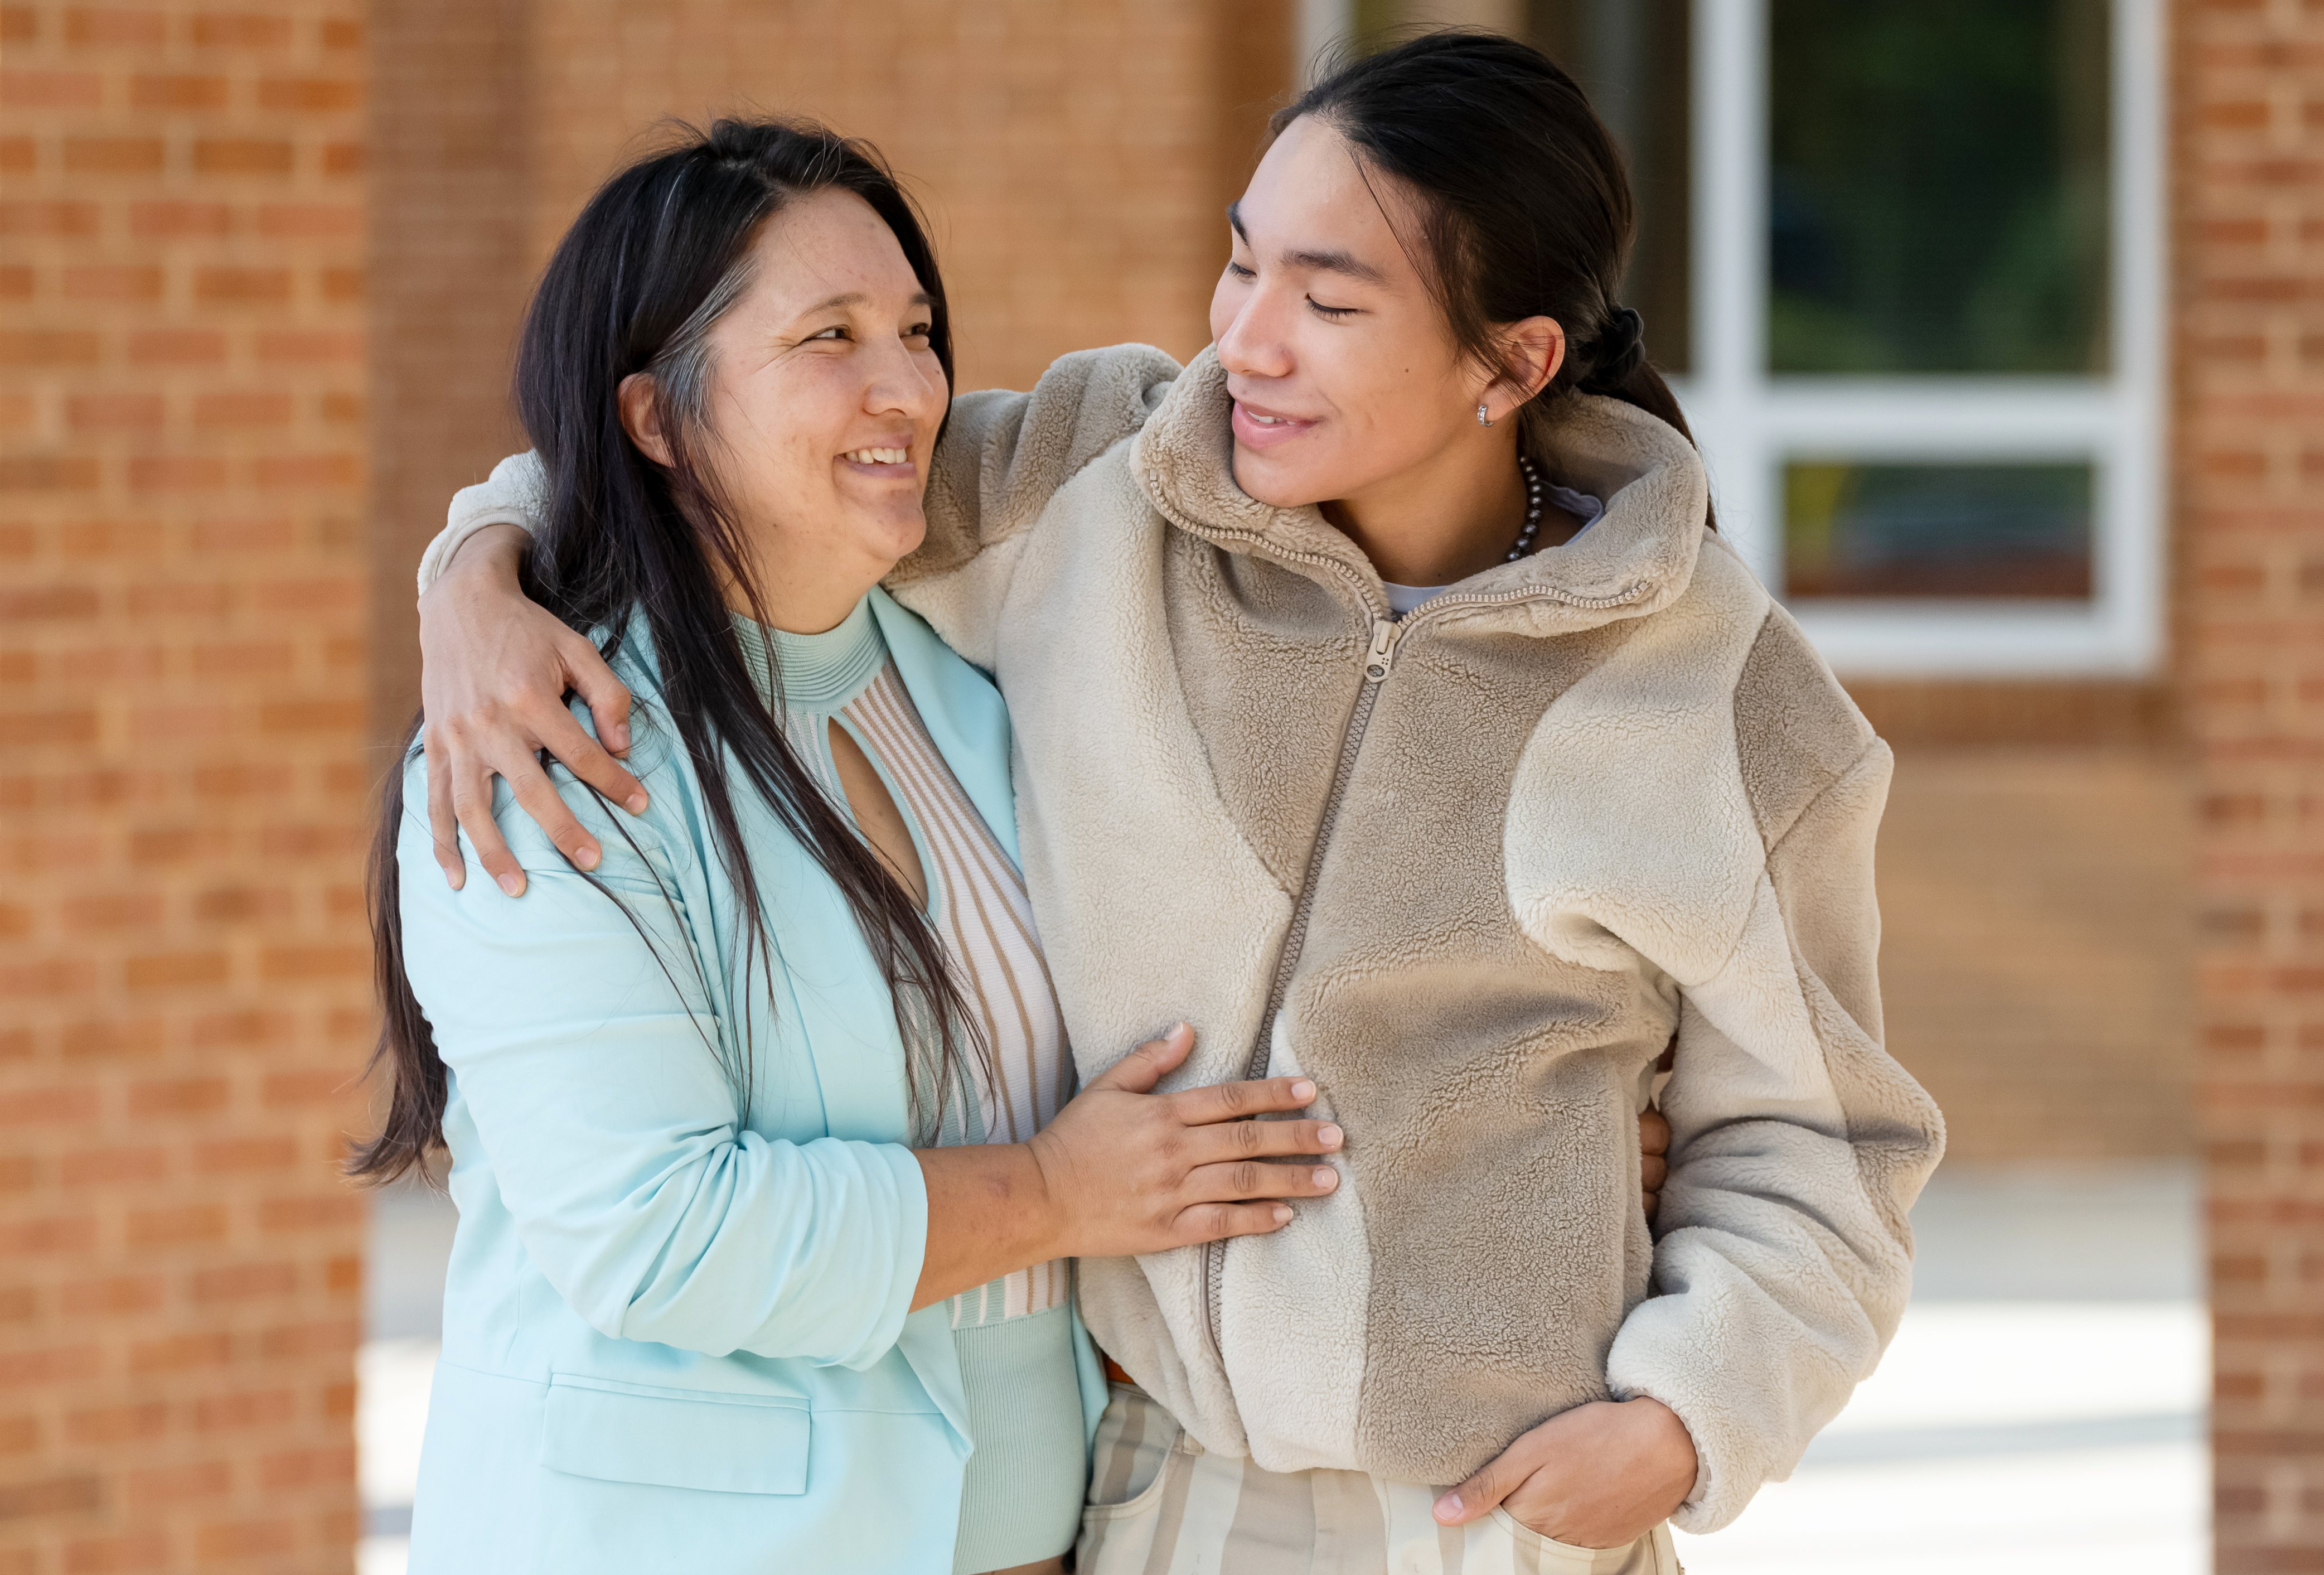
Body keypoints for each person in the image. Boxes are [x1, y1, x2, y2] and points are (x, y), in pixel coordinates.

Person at [414, 32, 1943, 1574]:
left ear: (1514, 362)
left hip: (1499, 1515)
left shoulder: (1718, 694)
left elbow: (1824, 1142)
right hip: (1150, 1496)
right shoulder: (1103, 481)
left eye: (1330, 301)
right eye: (1239, 266)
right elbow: (746, 460)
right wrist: (479, 570)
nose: (1248, 343)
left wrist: (1685, 1425)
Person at [354, 122, 1365, 1575]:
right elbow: (654, 1232)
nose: (905, 385)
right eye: (826, 336)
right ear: (656, 416)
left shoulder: (986, 678)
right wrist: (1056, 1197)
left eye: (915, 327)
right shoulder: (541, 750)